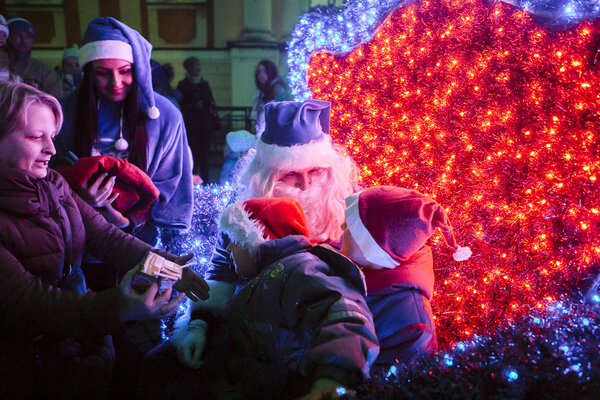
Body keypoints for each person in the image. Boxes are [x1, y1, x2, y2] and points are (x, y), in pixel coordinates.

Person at [0, 80, 209, 399]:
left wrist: (164, 267)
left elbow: (106, 236)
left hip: (79, 344)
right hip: (25, 367)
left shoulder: (52, 183)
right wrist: (119, 308)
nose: (51, 150)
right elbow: (32, 302)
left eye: (52, 137)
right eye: (34, 137)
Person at [176, 100, 359, 368]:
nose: (306, 185)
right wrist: (199, 326)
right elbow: (220, 276)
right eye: (292, 174)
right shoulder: (243, 218)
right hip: (251, 335)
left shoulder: (348, 214)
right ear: (266, 176)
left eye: (316, 171)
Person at [213, 197, 378, 399]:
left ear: (255, 239)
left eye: (234, 240)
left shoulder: (300, 269)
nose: (228, 249)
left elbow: (343, 313)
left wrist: (333, 377)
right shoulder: (260, 277)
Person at [55, 17, 193, 249]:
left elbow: (171, 182)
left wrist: (127, 220)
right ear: (88, 72)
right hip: (78, 235)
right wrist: (80, 199)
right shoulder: (66, 111)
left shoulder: (164, 115)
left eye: (125, 71)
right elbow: (51, 173)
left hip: (144, 238)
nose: (116, 82)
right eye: (103, 73)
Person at [340, 186, 472, 370]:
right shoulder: (351, 265)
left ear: (372, 250)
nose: (342, 227)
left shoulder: (412, 325)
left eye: (352, 226)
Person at [176, 56, 219, 184]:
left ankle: (206, 182)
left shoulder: (204, 84)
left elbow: (211, 101)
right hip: (191, 124)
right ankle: (193, 183)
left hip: (205, 125)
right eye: (195, 65)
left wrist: (206, 105)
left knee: (205, 155)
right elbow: (181, 104)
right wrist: (194, 106)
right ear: (189, 68)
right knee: (192, 155)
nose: (198, 68)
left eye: (199, 65)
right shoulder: (183, 85)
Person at [5, 17, 62, 98]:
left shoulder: (43, 70)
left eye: (28, 36)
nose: (24, 40)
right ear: (7, 37)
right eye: (18, 35)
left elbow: (56, 96)